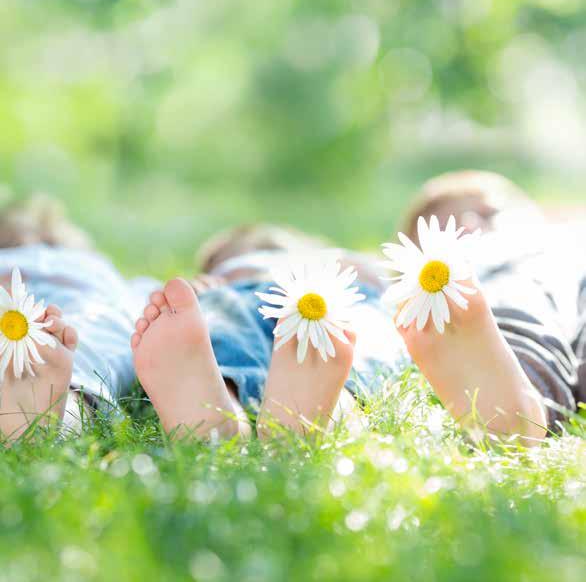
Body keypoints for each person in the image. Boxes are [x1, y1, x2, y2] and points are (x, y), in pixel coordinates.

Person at [0, 175, 584, 445]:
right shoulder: (221, 285)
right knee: (313, 347)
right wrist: (199, 296)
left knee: (349, 342)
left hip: (323, 309)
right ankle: (240, 415)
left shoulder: (352, 268)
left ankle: (239, 417)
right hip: (264, 310)